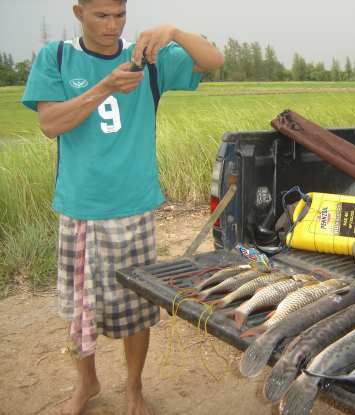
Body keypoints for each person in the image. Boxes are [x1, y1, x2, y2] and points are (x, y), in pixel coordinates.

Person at [21, 0, 224, 414]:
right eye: (101, 16)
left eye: (120, 14)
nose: (112, 25)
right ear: (79, 13)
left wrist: (175, 32)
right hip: (79, 207)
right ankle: (87, 384)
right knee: (80, 309)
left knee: (138, 307)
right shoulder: (56, 57)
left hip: (134, 206)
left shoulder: (146, 58)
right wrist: (106, 87)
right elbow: (49, 124)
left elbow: (214, 59)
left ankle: (134, 388)